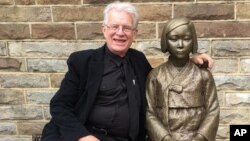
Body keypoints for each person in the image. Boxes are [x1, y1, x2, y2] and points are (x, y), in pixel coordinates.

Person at [41, 2, 214, 141]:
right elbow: (59, 106)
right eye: (114, 26)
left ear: (134, 33)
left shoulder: (138, 60)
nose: (120, 33)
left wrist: (187, 60)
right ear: (104, 30)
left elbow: (162, 80)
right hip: (87, 134)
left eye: (126, 28)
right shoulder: (83, 62)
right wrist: (82, 136)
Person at [146, 17, 220, 141]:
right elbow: (149, 112)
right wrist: (164, 137)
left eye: (186, 39)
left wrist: (200, 137)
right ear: (165, 41)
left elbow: (213, 110)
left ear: (193, 41)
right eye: (174, 39)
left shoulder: (203, 76)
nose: (180, 45)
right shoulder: (155, 75)